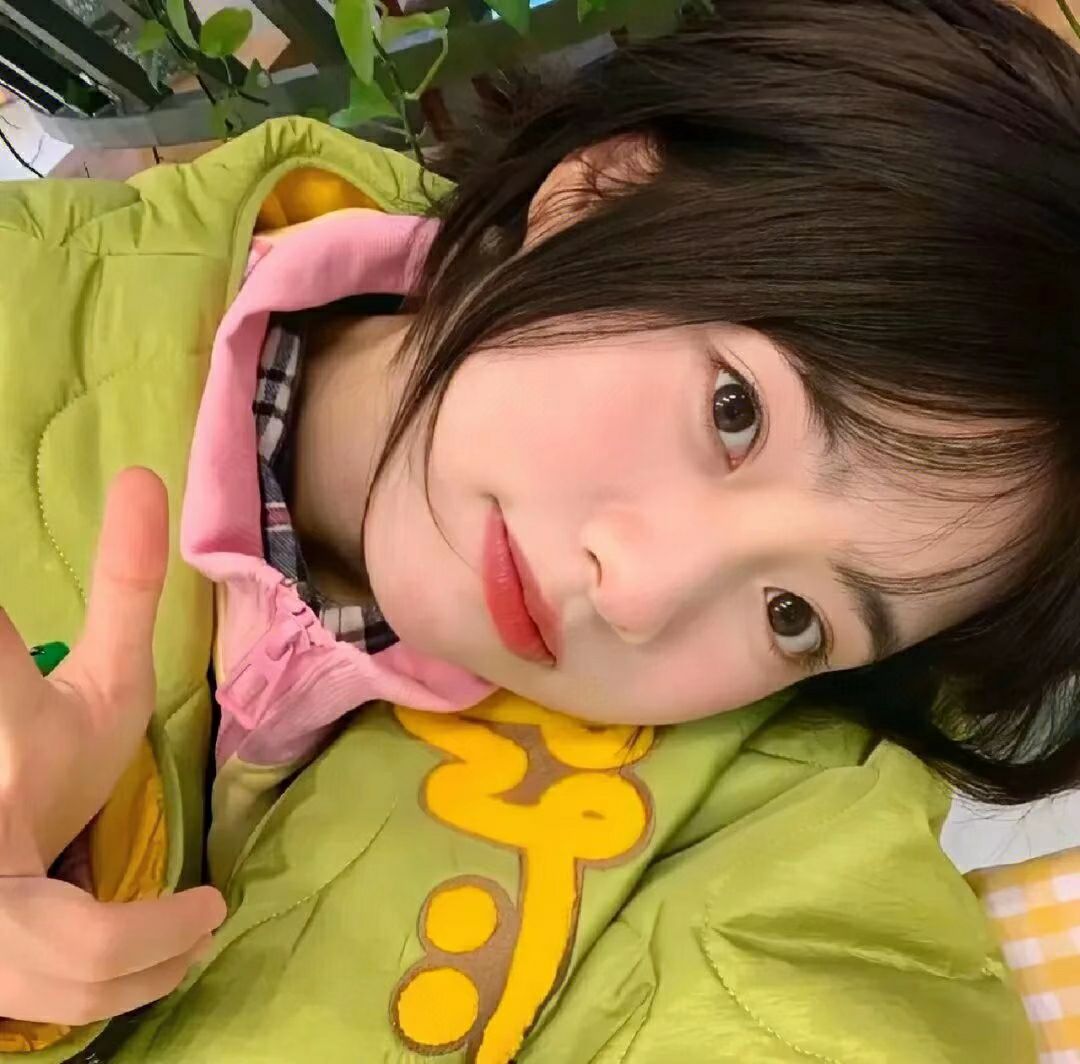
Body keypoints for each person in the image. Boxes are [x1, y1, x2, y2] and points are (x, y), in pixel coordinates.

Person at [1, 0, 1078, 1059]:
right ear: (599, 193)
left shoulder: (756, 805)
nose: (639, 594)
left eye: (794, 614)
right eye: (734, 411)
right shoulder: (32, 286)